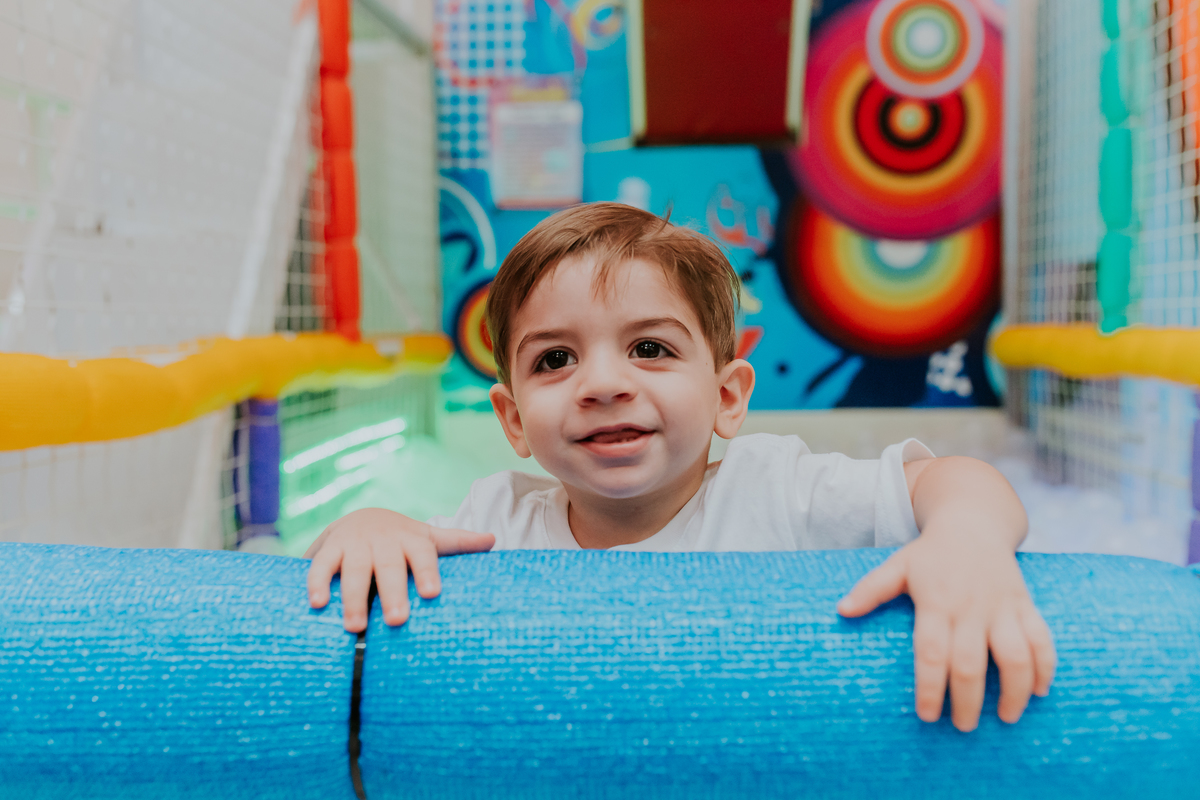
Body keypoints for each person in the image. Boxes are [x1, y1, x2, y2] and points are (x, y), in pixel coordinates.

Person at [306, 202, 1055, 733]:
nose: (603, 384)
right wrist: (370, 524)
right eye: (556, 359)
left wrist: (965, 539)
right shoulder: (494, 524)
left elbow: (956, 478)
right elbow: (380, 564)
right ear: (513, 420)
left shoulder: (776, 491)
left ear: (727, 397)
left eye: (650, 349)